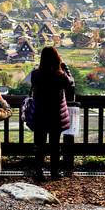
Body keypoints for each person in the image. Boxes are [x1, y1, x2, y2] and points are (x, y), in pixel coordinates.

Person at [30, 46, 75, 182]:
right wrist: (65, 68)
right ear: (57, 59)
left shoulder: (35, 74)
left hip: (39, 115)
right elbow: (71, 83)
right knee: (55, 145)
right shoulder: (60, 76)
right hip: (55, 115)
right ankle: (54, 173)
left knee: (39, 145)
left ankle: (38, 172)